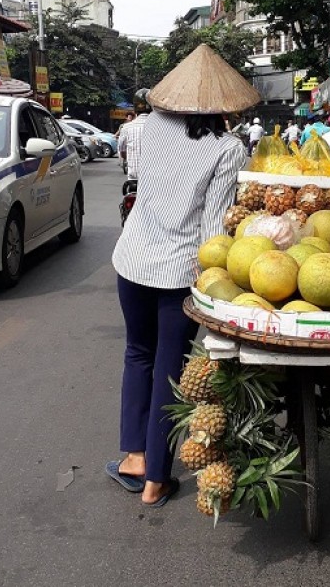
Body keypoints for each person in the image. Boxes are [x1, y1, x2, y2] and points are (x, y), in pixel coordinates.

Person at [108, 44, 257, 507]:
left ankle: (134, 458)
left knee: (138, 354)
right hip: (179, 274)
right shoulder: (228, 149)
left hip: (131, 261)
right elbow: (213, 229)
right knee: (169, 369)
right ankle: (155, 479)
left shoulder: (142, 130)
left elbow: (134, 175)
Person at [118, 89, 151, 179]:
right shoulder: (158, 127)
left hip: (133, 177)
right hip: (152, 179)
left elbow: (122, 151)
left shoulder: (126, 128)